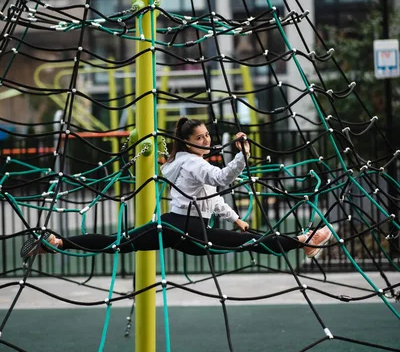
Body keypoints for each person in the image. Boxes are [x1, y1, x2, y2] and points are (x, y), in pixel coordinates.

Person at [20, 117, 333, 260]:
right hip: (184, 227)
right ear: (186, 142)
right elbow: (222, 179)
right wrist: (243, 156)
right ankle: (303, 240)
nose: (207, 140)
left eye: (208, 136)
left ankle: (57, 242)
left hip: (180, 225)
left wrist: (232, 215)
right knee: (247, 242)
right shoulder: (193, 163)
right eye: (200, 138)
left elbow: (209, 196)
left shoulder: (178, 161)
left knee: (119, 243)